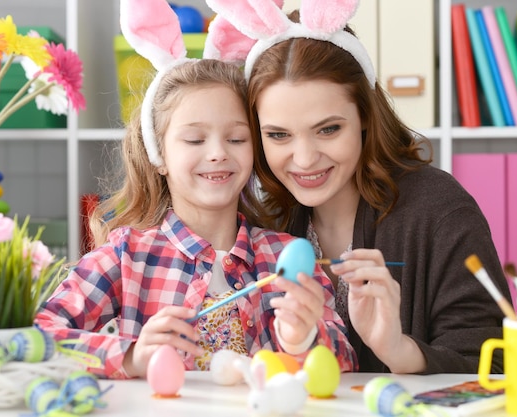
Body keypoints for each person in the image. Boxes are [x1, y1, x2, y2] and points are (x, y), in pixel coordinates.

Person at [35, 0, 356, 379]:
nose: (218, 154)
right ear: (160, 155)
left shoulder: (283, 255)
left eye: (236, 138)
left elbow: (346, 362)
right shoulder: (126, 256)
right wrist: (133, 356)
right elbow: (39, 339)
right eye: (194, 140)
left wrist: (303, 339)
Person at [207, 0, 510, 374]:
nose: (304, 159)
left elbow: (493, 364)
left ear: (365, 115)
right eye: (279, 135)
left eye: (328, 129)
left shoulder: (440, 210)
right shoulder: (264, 223)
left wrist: (398, 350)